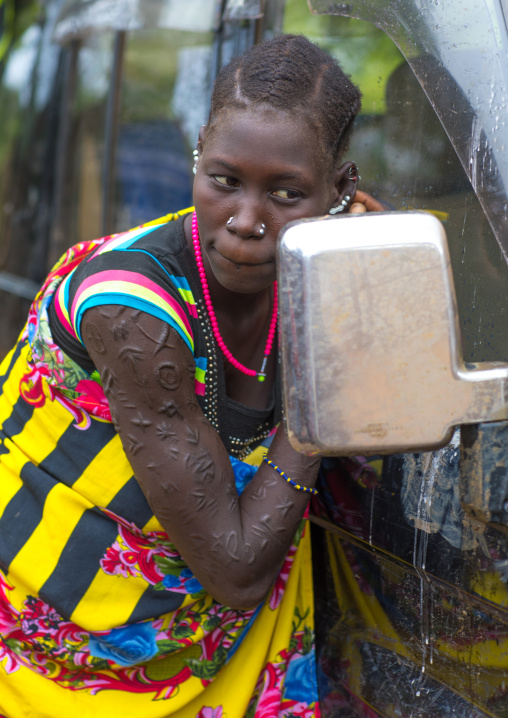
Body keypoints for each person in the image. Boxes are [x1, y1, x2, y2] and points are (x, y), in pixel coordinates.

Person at [0, 34, 383, 717]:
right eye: (224, 180)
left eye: (286, 193)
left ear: (342, 188)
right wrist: (327, 385)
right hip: (66, 661)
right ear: (199, 150)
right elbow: (235, 569)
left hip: (223, 651)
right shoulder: (131, 309)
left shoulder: (335, 264)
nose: (244, 222)